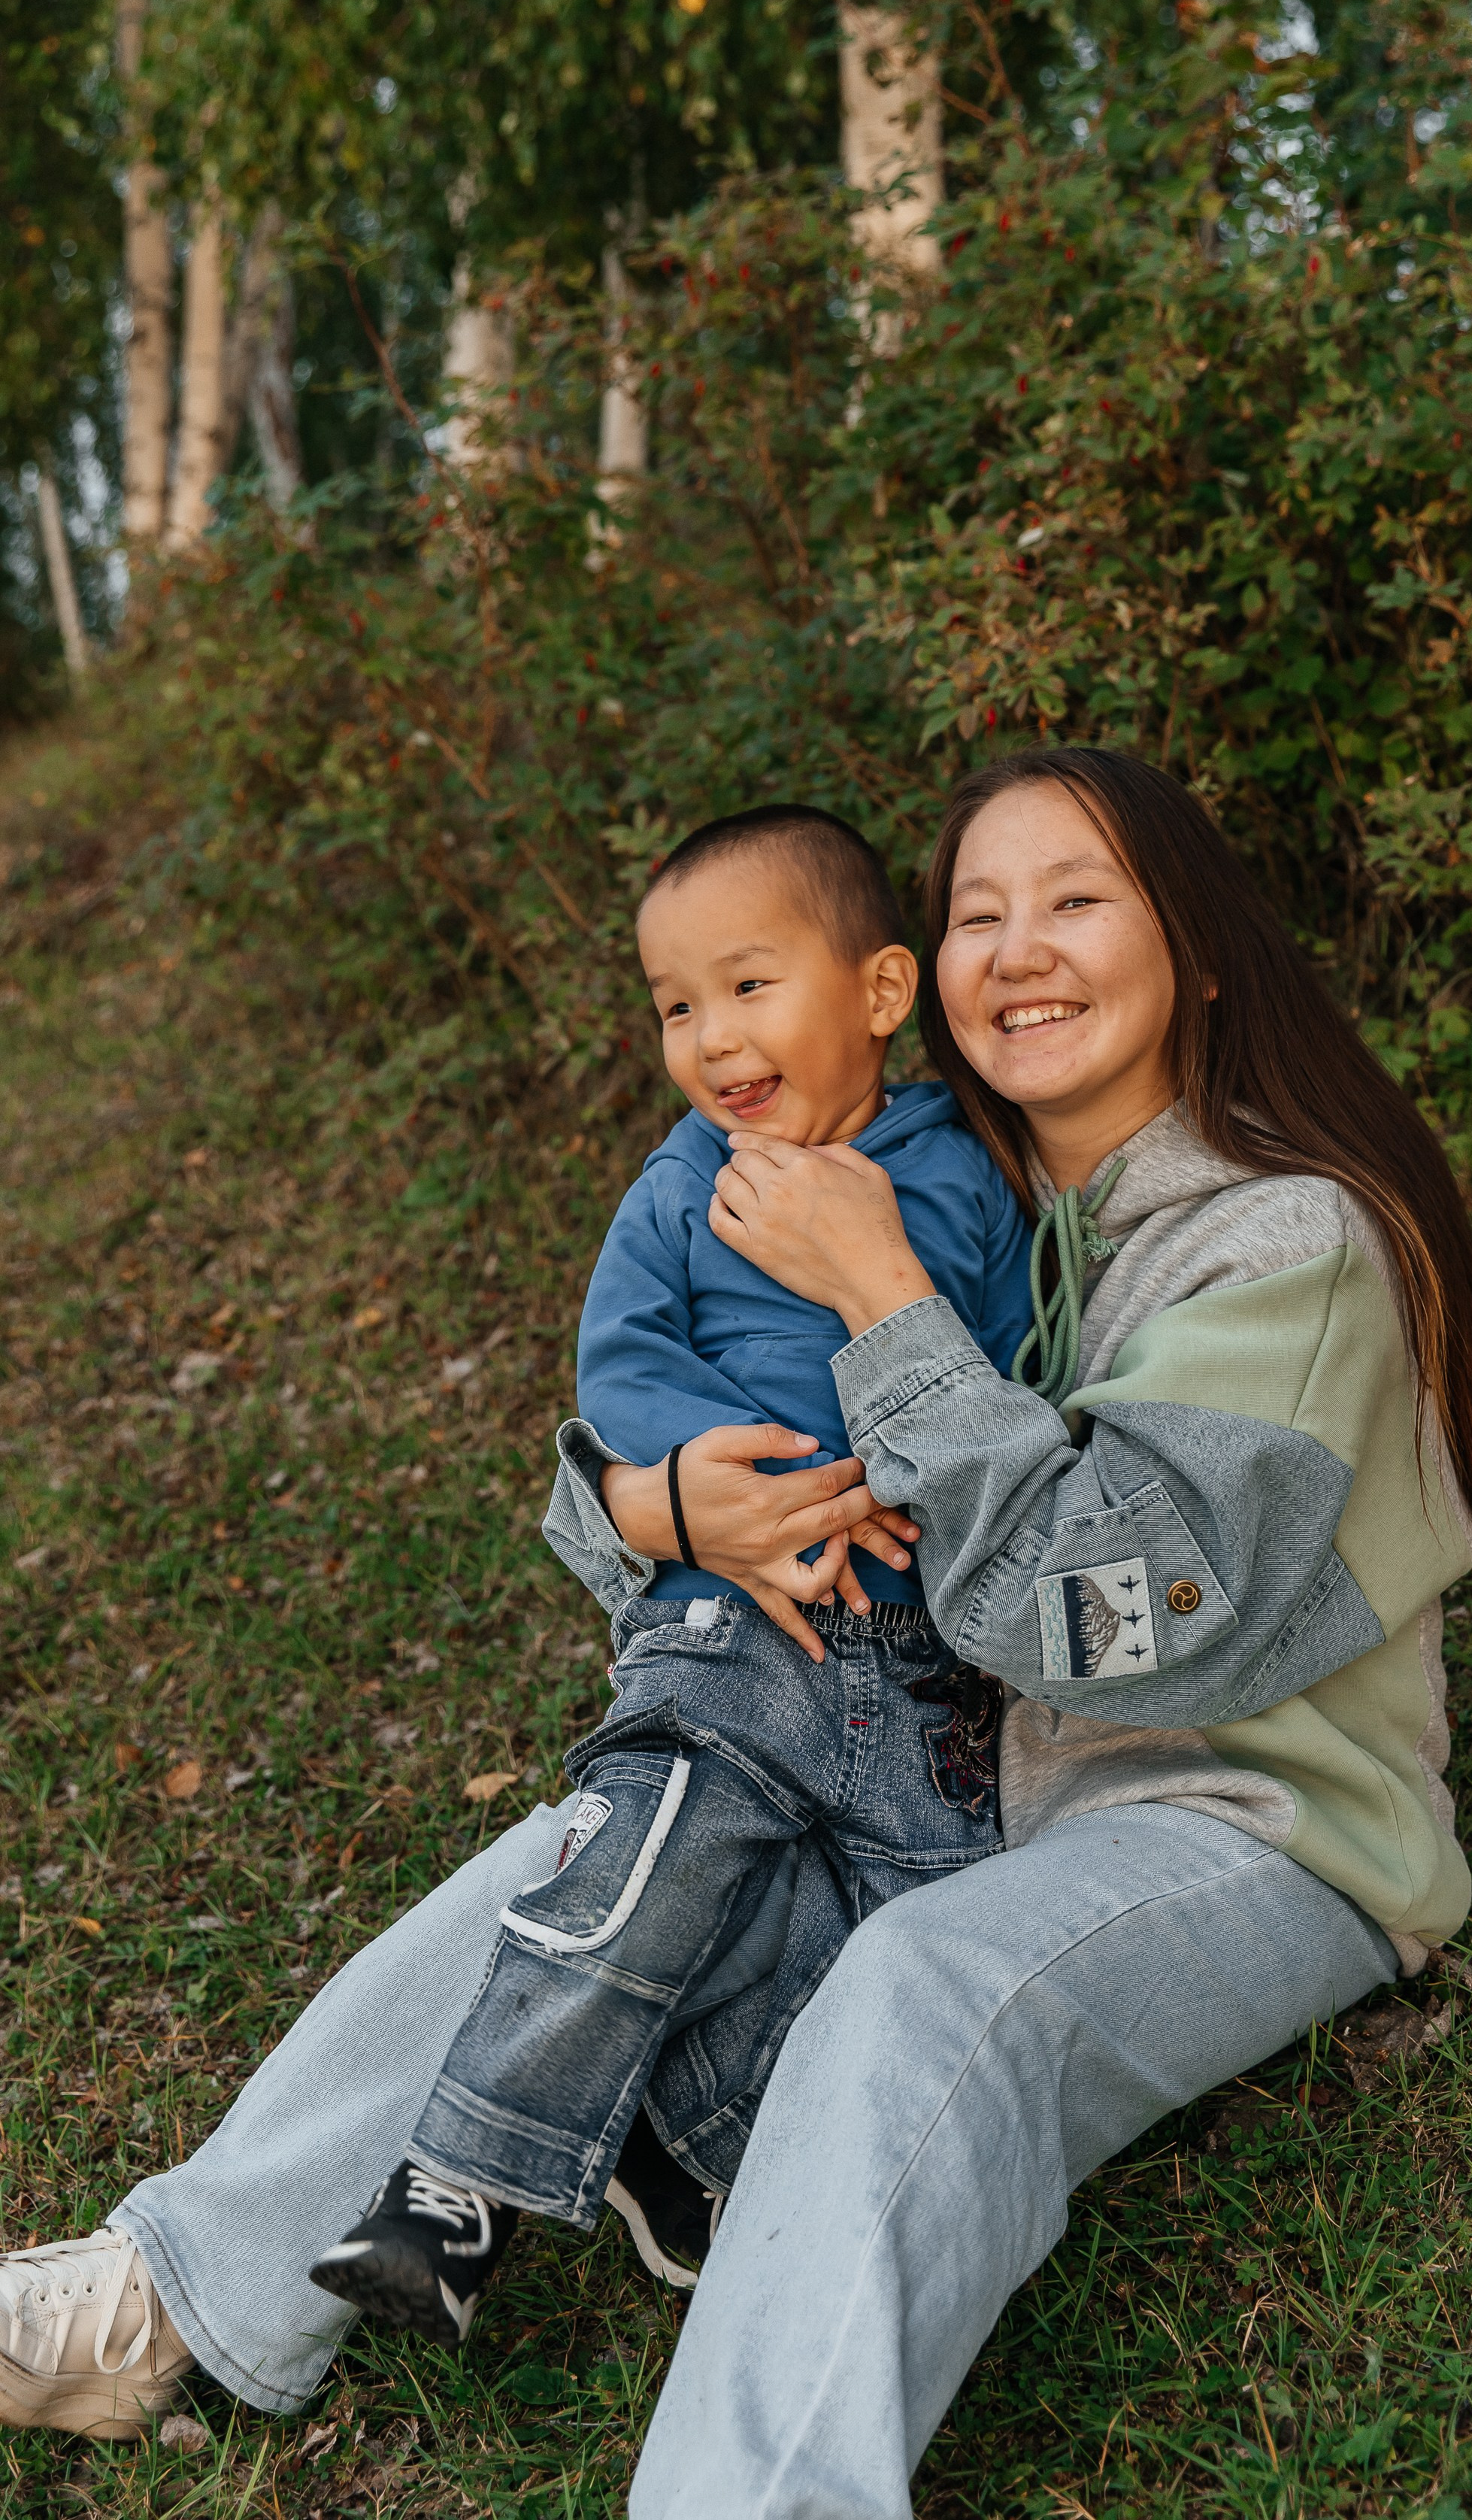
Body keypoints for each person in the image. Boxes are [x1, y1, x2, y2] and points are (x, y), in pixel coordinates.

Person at [0, 748, 1472, 2520]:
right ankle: (162, 2299)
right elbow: (649, 1460)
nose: (1020, 948)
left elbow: (1116, 1622)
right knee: (583, 1855)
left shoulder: (1283, 1238)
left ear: (1196, 950)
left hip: (1238, 1822)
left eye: (1079, 900)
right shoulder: (958, 1187)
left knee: (921, 1990)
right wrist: (665, 1510)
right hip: (939, 1785)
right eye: (979, 911)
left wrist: (880, 1294)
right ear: (918, 975)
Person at [305, 803, 1031, 2342]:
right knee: (654, 1861)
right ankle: (456, 2182)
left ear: (882, 994)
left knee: (906, 1933)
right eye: (675, 1007)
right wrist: (724, 1491)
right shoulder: (680, 1187)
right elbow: (621, 1363)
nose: (709, 1037)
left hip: (924, 1676)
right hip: (741, 1616)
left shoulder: (964, 1174)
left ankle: (678, 2135)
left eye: (748, 986)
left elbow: (1011, 1374)